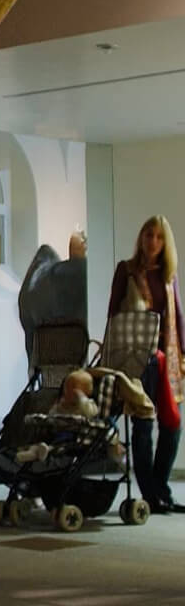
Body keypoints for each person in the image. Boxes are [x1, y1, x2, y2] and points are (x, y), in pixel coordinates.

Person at [107, 215, 183, 513]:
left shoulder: (168, 276)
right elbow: (113, 315)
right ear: (141, 237)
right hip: (136, 360)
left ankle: (160, 488)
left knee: (173, 424)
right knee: (142, 424)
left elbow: (177, 317)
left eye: (159, 237)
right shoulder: (126, 271)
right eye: (148, 235)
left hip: (164, 360)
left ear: (165, 243)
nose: (152, 241)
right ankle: (151, 495)